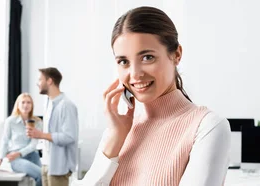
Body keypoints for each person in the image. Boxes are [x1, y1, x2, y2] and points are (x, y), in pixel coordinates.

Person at [80, 6, 232, 186]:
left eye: (147, 57)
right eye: (123, 62)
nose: (135, 74)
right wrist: (115, 138)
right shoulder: (116, 131)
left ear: (176, 55)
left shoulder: (207, 127)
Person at [26, 67, 79, 186]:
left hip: (59, 167)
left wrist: (41, 135)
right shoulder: (48, 104)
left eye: (40, 80)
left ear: (49, 81)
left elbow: (69, 137)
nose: (37, 83)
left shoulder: (66, 105)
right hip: (46, 164)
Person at [0, 92, 43, 186]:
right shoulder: (10, 121)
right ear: (18, 105)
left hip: (32, 155)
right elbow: (5, 140)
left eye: (29, 102)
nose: (26, 105)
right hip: (16, 158)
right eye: (23, 102)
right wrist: (0, 159)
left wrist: (19, 153)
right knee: (40, 174)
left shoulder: (38, 122)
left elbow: (33, 144)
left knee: (44, 177)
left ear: (32, 105)